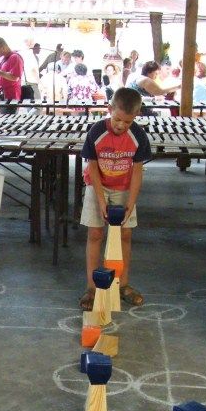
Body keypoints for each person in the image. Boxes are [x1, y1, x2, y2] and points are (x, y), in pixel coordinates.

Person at [78, 87, 152, 310]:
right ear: (109, 109)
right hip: (97, 186)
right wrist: (101, 201)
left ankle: (122, 284)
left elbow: (137, 172)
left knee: (125, 235)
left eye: (127, 122)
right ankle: (92, 288)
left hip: (124, 187)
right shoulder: (97, 132)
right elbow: (92, 167)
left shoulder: (138, 136)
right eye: (117, 119)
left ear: (136, 116)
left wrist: (131, 202)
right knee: (95, 233)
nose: (121, 125)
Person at [0, 37, 23, 114]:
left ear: (3, 47)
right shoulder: (2, 58)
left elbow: (15, 77)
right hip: (1, 97)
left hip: (10, 98)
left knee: (9, 120)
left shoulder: (15, 57)